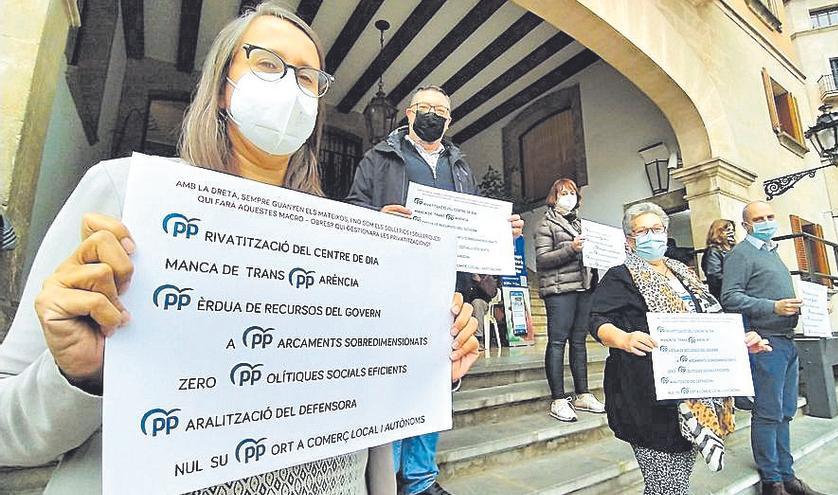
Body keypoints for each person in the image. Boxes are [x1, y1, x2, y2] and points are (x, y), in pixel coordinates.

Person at [0, 4, 480, 495]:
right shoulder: (124, 195)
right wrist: (78, 375)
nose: (292, 88)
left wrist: (421, 362)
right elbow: (8, 435)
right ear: (221, 84)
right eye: (268, 64)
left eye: (309, 79)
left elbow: (350, 394)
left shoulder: (340, 242)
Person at [346, 85, 523, 495]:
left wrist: (500, 231)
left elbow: (475, 218)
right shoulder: (379, 157)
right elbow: (352, 207)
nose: (432, 115)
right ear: (409, 114)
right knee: (390, 379)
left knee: (437, 380)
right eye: (425, 108)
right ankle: (384, 477)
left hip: (448, 289)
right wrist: (377, 216)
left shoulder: (460, 166)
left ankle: (421, 479)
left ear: (449, 120)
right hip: (392, 284)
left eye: (440, 110)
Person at [589, 202, 771, 495]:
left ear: (666, 232)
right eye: (641, 231)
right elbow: (598, 320)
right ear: (629, 240)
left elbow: (710, 321)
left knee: (677, 482)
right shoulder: (620, 275)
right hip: (647, 395)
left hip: (694, 391)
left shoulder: (684, 273)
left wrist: (740, 340)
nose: (651, 236)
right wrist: (623, 339)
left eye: (657, 229)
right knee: (666, 486)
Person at [722, 201, 825, 495]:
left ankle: (787, 474)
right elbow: (729, 297)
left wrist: (800, 308)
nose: (767, 222)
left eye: (770, 216)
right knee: (768, 413)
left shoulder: (772, 252)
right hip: (765, 342)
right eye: (759, 218)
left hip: (787, 341)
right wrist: (773, 307)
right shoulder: (741, 254)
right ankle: (772, 481)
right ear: (746, 225)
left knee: (786, 411)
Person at [534, 178, 603, 422]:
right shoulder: (545, 224)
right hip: (559, 290)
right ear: (554, 196)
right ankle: (559, 399)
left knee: (579, 342)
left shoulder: (581, 225)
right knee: (557, 343)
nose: (569, 197)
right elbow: (542, 259)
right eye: (563, 193)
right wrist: (571, 249)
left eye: (572, 192)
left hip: (584, 289)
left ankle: (583, 394)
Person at [701, 219, 736, 300]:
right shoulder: (713, 251)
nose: (731, 233)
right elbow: (714, 276)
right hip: (724, 294)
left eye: (732, 230)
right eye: (727, 230)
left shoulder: (734, 249)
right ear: (718, 232)